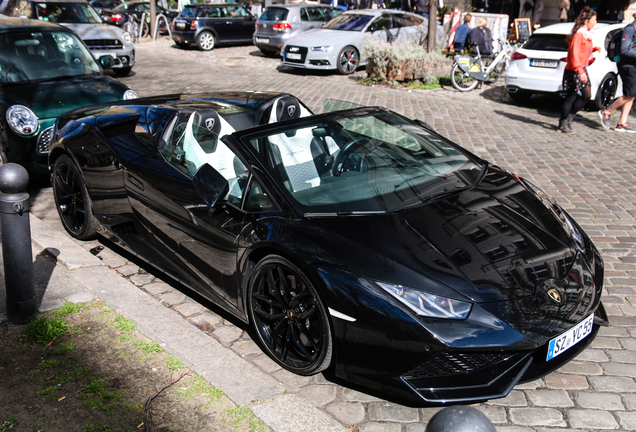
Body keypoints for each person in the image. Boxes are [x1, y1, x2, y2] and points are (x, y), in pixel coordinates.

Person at [558, 7, 601, 134]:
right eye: (594, 19)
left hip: (581, 68)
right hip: (574, 70)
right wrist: (580, 71)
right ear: (586, 21)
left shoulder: (586, 35)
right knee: (571, 97)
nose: (595, 22)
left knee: (587, 96)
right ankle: (563, 122)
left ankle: (570, 118)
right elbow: (574, 54)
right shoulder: (578, 35)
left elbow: (582, 51)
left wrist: (593, 49)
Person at [599, 12, 636, 133]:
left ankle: (622, 123)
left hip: (633, 65)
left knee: (632, 94)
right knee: (629, 94)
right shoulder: (630, 29)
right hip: (627, 66)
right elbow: (624, 50)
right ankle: (607, 112)